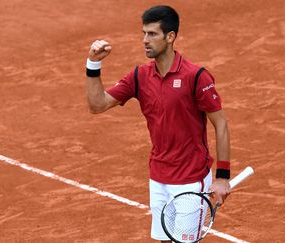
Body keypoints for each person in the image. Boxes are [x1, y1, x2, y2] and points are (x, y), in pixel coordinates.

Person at [85, 5, 232, 242]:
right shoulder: (139, 77)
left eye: (152, 34)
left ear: (170, 36)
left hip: (190, 178)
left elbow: (221, 124)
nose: (145, 40)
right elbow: (97, 105)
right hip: (158, 177)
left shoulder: (195, 76)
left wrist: (223, 176)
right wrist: (93, 64)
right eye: (144, 33)